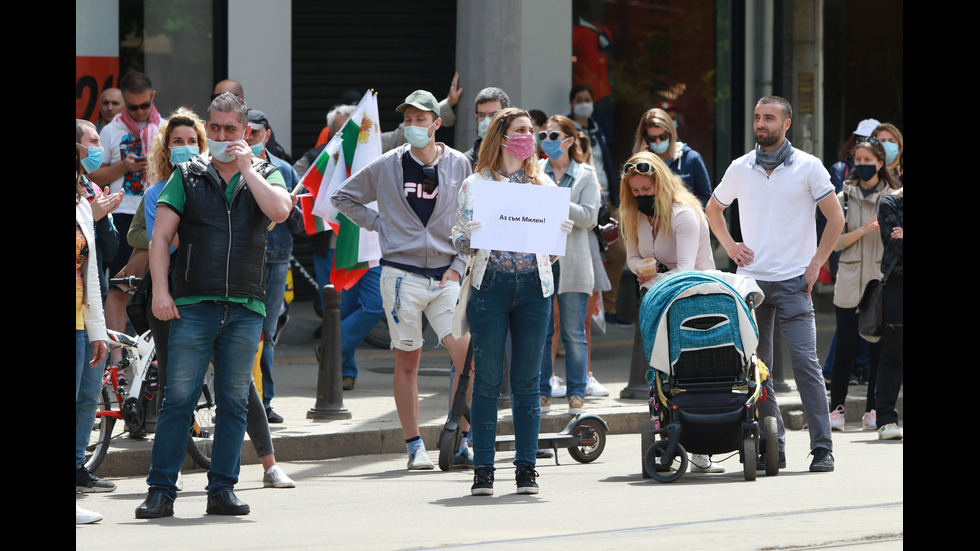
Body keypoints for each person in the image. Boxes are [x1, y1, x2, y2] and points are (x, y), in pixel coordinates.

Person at [135, 92, 293, 519]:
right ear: (209, 129)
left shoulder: (265, 173)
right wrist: (162, 293)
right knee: (178, 399)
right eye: (216, 129)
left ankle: (222, 489)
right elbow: (160, 239)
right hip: (193, 304)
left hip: (245, 305)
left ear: (245, 133)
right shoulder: (186, 174)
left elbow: (280, 210)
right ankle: (160, 491)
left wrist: (248, 169)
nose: (223, 136)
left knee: (234, 401)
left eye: (231, 130)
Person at [331, 90, 473, 471]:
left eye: (420, 120)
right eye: (407, 120)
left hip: (446, 276)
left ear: (436, 123)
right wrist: (383, 226)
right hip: (400, 276)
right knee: (408, 361)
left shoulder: (459, 164)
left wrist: (459, 263)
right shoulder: (388, 163)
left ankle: (462, 437)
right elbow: (343, 197)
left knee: (466, 357)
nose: (412, 126)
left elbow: (471, 217)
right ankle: (414, 446)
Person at [706, 96, 844, 473]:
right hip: (753, 284)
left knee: (805, 364)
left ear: (786, 124)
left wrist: (817, 263)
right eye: (756, 117)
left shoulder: (808, 167)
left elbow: (836, 219)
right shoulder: (740, 167)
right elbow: (713, 209)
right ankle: (773, 443)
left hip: (795, 281)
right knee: (759, 368)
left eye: (769, 117)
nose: (760, 123)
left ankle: (822, 447)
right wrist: (730, 246)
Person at [452, 107, 574, 496]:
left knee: (526, 382)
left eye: (532, 131)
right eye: (521, 130)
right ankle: (483, 471)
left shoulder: (544, 186)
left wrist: (559, 237)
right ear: (502, 136)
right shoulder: (476, 183)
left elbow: (550, 253)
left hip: (534, 288)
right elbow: (458, 238)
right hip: (491, 286)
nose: (530, 137)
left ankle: (526, 470)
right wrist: (467, 235)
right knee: (487, 380)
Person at [619, 151, 722, 474]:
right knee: (663, 372)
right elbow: (633, 257)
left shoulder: (684, 214)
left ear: (660, 186)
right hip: (659, 302)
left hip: (695, 300)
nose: (640, 197)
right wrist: (642, 269)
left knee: (694, 370)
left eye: (646, 191)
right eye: (635, 192)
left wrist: (653, 276)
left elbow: (688, 271)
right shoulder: (635, 216)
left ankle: (703, 445)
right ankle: (666, 430)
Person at [90, 72, 162, 366]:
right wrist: (125, 166)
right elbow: (94, 175)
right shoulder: (111, 131)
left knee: (158, 285)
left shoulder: (164, 129)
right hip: (121, 212)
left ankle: (154, 356)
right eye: (132, 108)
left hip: (156, 212)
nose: (139, 112)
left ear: (152, 97)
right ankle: (117, 357)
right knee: (120, 286)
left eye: (144, 105)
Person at [827, 139, 898, 431]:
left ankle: (872, 411)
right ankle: (836, 411)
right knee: (844, 348)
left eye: (868, 159)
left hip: (880, 282)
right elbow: (836, 242)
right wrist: (865, 229)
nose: (862, 163)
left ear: (880, 163)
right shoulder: (844, 195)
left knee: (877, 350)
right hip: (849, 280)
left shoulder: (893, 197)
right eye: (858, 158)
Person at [536, 115, 601, 413]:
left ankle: (577, 394)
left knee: (574, 333)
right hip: (541, 262)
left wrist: (555, 199)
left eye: (553, 135)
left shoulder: (586, 174)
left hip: (574, 262)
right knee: (541, 331)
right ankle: (542, 390)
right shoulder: (535, 170)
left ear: (570, 140)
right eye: (544, 135)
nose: (546, 140)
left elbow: (589, 217)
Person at [245, 108, 299, 423]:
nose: (249, 138)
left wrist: (294, 210)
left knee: (267, 331)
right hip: (245, 258)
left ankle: (264, 402)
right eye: (245, 132)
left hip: (277, 259)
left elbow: (303, 226)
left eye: (255, 132)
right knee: (243, 329)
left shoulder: (284, 170)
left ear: (266, 134)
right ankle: (243, 398)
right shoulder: (236, 166)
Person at [76, 122, 118, 498]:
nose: (97, 149)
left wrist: (98, 329)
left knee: (89, 394)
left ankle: (78, 469)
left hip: (86, 313)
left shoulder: (84, 196)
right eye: (90, 143)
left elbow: (102, 255)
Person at [569, 84, 629, 328]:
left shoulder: (596, 128)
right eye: (580, 99)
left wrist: (614, 199)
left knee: (618, 253)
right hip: (579, 205)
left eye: (588, 98)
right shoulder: (567, 129)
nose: (585, 102)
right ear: (572, 104)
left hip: (605, 205)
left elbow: (606, 162)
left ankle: (609, 307)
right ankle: (581, 319)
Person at [631, 108, 712, 206]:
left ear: (671, 134)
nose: (658, 142)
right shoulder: (639, 164)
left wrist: (681, 210)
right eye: (652, 138)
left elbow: (706, 199)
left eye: (662, 137)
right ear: (644, 140)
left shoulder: (691, 159)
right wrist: (641, 163)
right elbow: (631, 202)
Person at [874, 186, 903, 440]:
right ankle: (885, 419)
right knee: (894, 351)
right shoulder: (889, 203)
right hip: (897, 284)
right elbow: (896, 245)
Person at [462, 86, 510, 169]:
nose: (486, 121)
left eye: (493, 114)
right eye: (481, 115)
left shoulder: (515, 158)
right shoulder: (465, 162)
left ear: (506, 116)